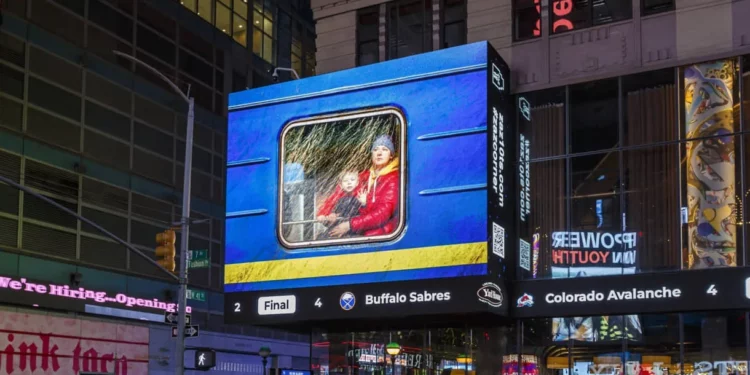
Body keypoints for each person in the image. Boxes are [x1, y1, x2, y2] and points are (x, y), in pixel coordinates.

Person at [329, 135, 400, 238]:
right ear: (371, 154)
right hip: (362, 229)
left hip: (379, 236)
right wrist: (329, 213)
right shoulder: (367, 176)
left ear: (391, 155)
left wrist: (350, 225)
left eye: (385, 149)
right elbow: (340, 192)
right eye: (375, 149)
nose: (379, 153)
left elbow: (382, 214)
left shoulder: (393, 179)